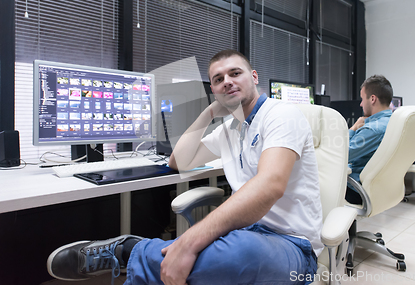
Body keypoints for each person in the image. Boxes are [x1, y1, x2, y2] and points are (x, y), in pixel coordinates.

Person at [47, 50, 323, 285]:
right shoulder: (231, 129)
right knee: (218, 258)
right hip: (246, 232)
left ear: (253, 77)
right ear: (213, 90)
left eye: (235, 73)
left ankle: (130, 251)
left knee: (235, 256)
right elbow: (179, 161)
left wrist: (189, 242)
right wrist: (210, 112)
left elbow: (269, 186)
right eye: (218, 80)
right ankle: (155, 255)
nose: (227, 82)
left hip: (293, 245)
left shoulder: (281, 115)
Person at [345, 75, 393, 205]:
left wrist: (353, 128)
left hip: (356, 189)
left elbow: (342, 155)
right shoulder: (393, 122)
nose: (361, 104)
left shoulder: (373, 129)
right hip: (382, 188)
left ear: (372, 99)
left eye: (362, 99)